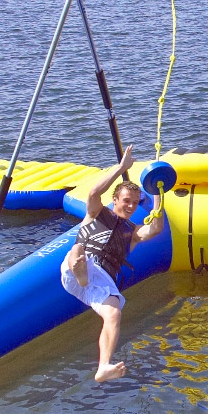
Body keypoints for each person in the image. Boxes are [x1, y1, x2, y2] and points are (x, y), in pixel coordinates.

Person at [61, 145, 164, 383]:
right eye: (127, 201)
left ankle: (103, 366)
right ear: (115, 199)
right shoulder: (97, 212)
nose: (131, 206)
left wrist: (158, 190)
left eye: (136, 203)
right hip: (78, 269)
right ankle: (81, 271)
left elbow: (156, 227)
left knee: (114, 313)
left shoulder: (134, 232)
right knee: (77, 250)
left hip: (99, 282)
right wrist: (121, 168)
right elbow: (94, 193)